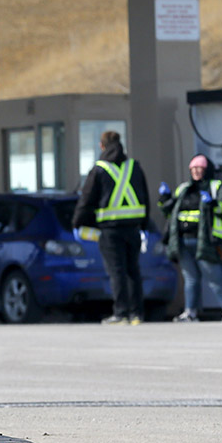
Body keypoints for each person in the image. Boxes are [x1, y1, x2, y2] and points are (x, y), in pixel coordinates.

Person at [73, 130, 150, 326]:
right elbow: (145, 197)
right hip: (133, 228)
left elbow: (87, 198)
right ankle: (137, 314)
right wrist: (145, 224)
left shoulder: (99, 169)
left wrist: (77, 222)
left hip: (110, 230)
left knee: (117, 271)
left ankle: (121, 313)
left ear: (102, 146)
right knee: (133, 270)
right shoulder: (134, 166)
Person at [158, 154, 222, 322]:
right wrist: (164, 199)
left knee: (215, 277)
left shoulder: (217, 187)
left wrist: (213, 204)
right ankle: (190, 312)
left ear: (207, 169)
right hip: (183, 241)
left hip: (207, 241)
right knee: (190, 278)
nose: (196, 171)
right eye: (193, 168)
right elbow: (169, 211)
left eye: (200, 168)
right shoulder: (183, 189)